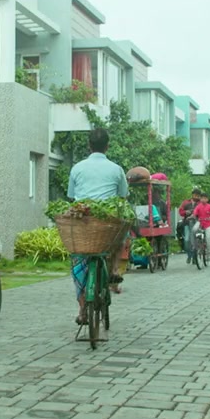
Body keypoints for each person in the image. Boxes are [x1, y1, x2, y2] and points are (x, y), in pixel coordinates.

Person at [67, 128, 129, 325]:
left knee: (78, 261)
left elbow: (71, 196)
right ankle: (115, 269)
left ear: (89, 146)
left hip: (83, 222)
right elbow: (123, 196)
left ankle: (82, 310)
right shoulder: (116, 169)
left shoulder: (77, 168)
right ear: (107, 146)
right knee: (123, 231)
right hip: (107, 223)